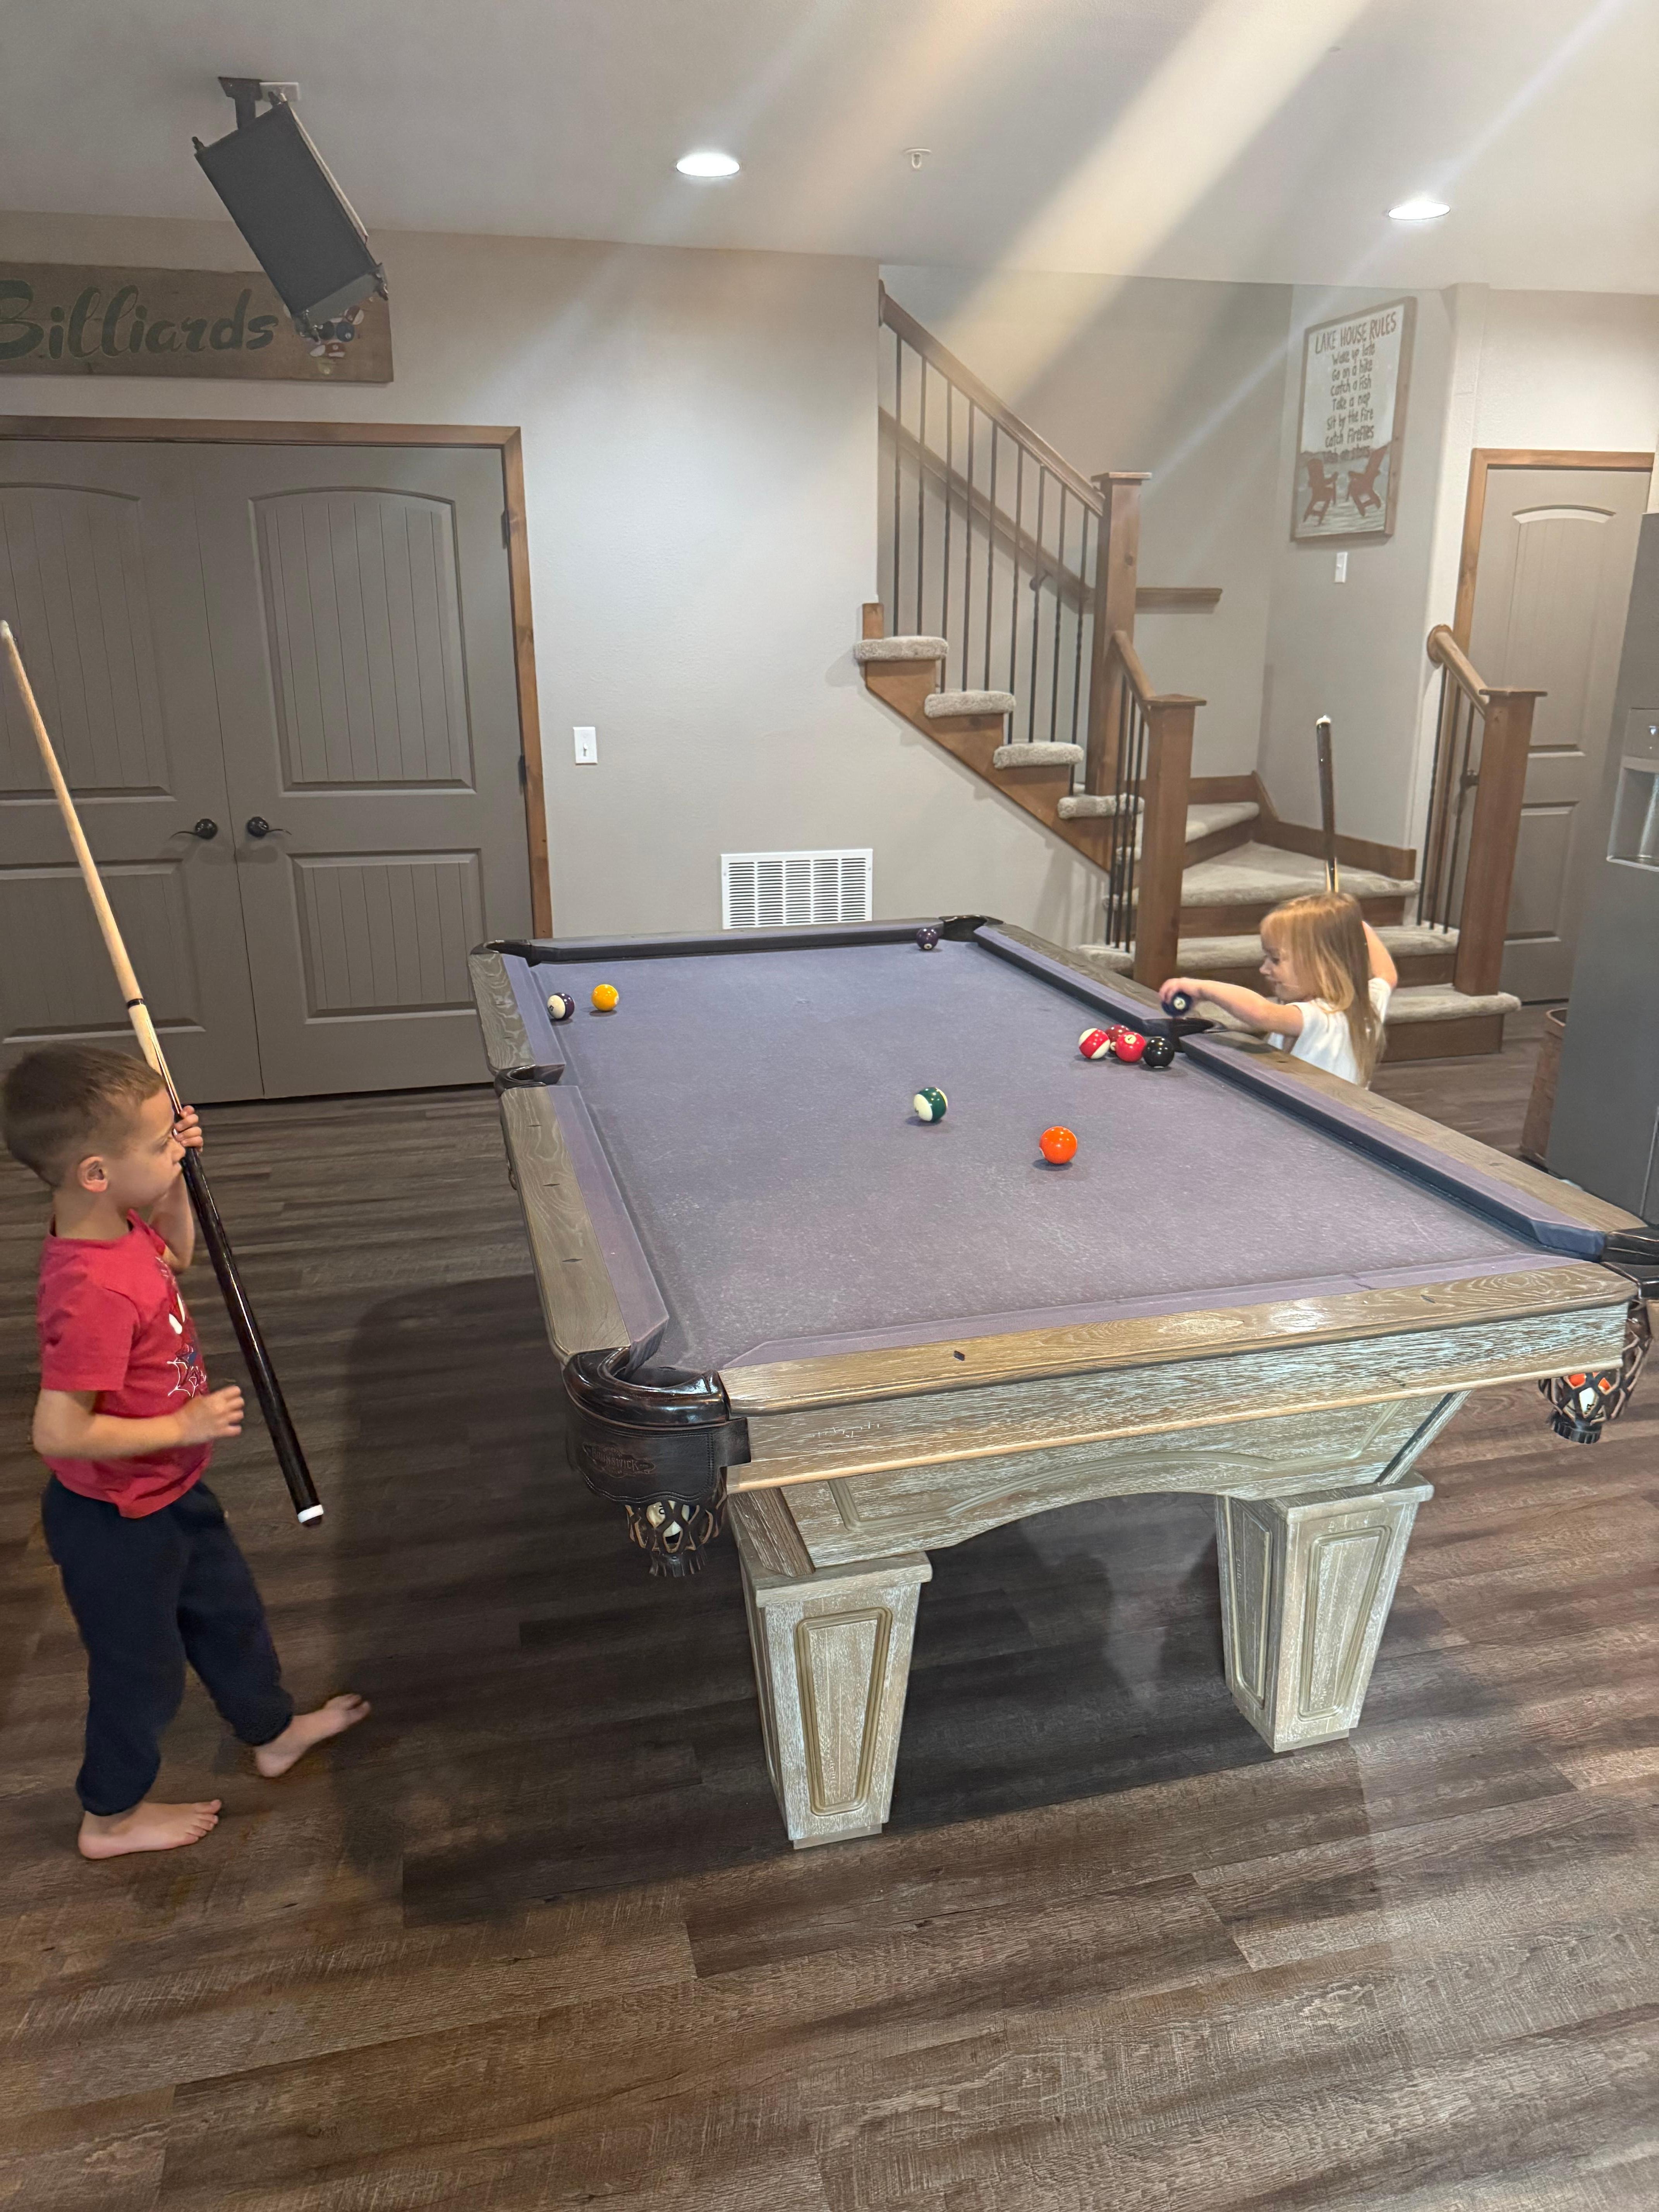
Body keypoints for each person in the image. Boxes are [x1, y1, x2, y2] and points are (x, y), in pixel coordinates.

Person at [0, 1046, 368, 1861]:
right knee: (142, 1671)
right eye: (162, 1141)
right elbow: (56, 1433)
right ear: (97, 1173)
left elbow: (177, 1255)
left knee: (230, 1618)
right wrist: (183, 1424)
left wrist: (170, 1180)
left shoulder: (113, 1225)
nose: (181, 1146)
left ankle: (271, 1732)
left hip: (170, 1493)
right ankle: (110, 1817)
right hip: (114, 1520)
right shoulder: (90, 1291)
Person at [1160, 889, 1398, 1087]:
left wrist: (1202, 989)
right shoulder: (1369, 1003)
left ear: (1322, 964)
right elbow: (1387, 974)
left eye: (1275, 959)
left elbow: (1261, 1013)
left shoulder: (1325, 1017)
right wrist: (1355, 927)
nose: (1264, 969)